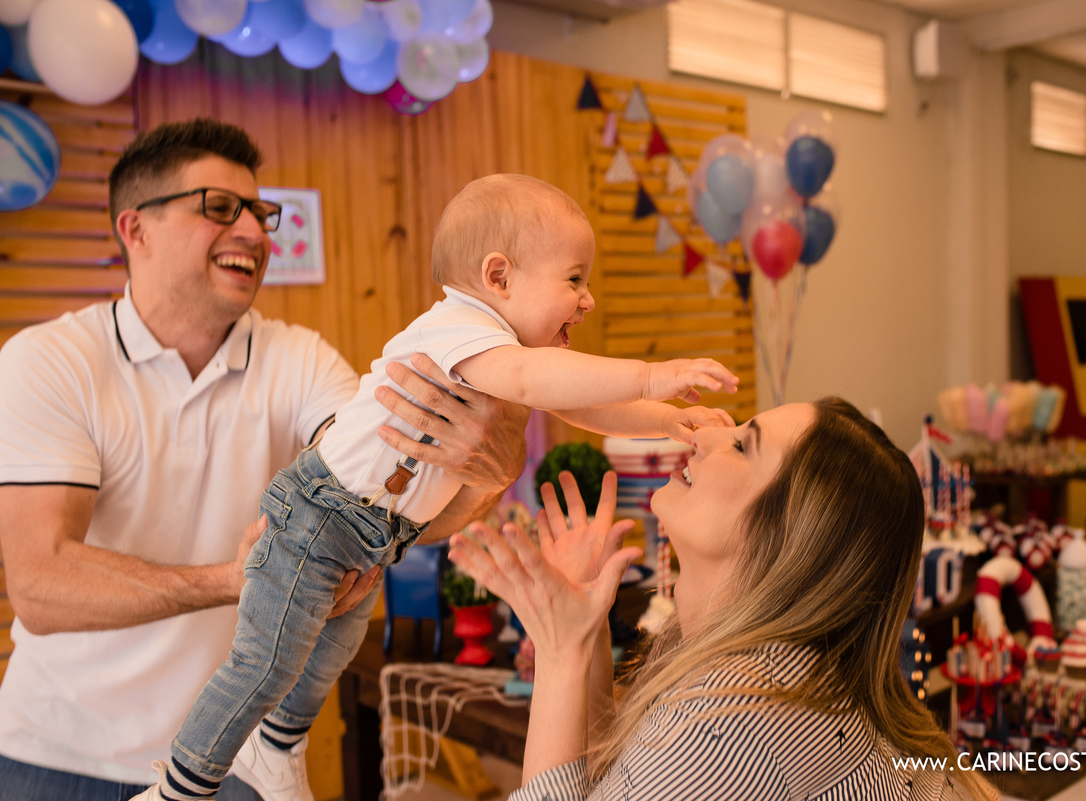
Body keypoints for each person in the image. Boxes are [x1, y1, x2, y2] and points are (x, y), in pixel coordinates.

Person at [129, 172, 739, 801]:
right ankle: (178, 788)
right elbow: (533, 379)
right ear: (498, 277)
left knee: (330, 653)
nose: (587, 300)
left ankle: (276, 749)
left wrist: (667, 421)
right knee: (264, 663)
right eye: (574, 279)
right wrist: (650, 377)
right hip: (320, 514)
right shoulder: (460, 328)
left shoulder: (500, 351)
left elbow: (580, 404)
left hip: (372, 533)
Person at [0, 118, 530, 801]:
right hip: (54, 757)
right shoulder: (49, 362)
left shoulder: (300, 359)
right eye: (220, 208)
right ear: (137, 229)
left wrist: (486, 476)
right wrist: (246, 578)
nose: (254, 231)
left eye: (259, 211)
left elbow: (388, 507)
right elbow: (42, 585)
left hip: (234, 766)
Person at [450, 398, 999, 801]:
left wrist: (560, 652)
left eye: (740, 444)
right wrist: (584, 630)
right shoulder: (768, 669)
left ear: (785, 539)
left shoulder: (741, 719)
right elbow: (609, 783)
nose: (704, 435)